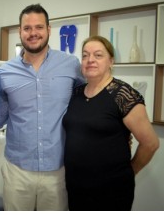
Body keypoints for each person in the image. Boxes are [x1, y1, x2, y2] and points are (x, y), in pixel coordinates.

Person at [0, 3, 85, 211]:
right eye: (27, 28)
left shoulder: (71, 65)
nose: (33, 33)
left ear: (48, 30)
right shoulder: (5, 72)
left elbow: (89, 101)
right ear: (20, 31)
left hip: (58, 169)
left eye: (38, 27)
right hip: (17, 169)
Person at [63, 35, 160, 211]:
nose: (90, 60)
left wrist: (130, 171)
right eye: (85, 55)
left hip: (111, 190)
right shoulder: (76, 93)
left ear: (111, 61)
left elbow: (151, 143)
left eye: (98, 55)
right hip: (76, 186)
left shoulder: (123, 95)